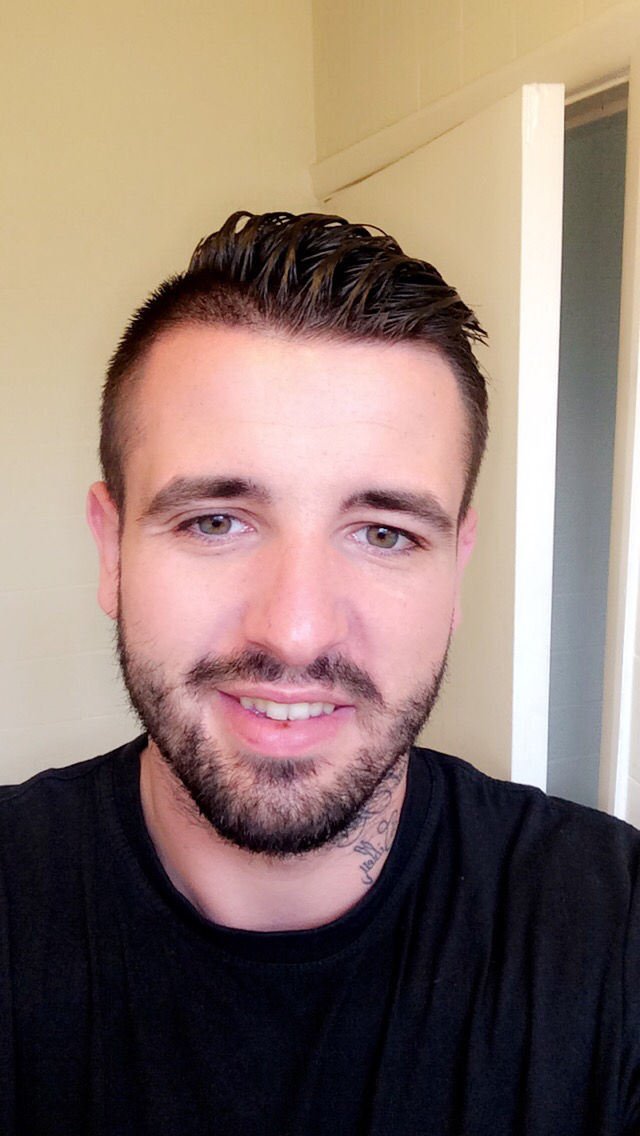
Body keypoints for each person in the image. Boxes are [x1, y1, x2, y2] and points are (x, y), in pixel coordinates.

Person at [1, 211, 639, 1136]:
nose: (296, 632)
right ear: (111, 550)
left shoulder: (614, 932)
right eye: (215, 521)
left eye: (384, 533)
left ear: (456, 568)